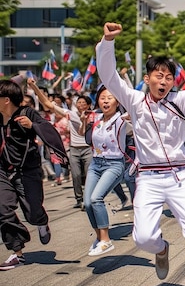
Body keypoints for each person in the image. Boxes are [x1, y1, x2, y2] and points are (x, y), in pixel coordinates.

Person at [96, 22, 185, 286]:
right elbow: (108, 76)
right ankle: (161, 249)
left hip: (180, 177)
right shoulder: (134, 101)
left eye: (169, 77)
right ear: (147, 78)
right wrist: (107, 41)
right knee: (143, 238)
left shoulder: (180, 101)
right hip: (148, 177)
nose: (164, 81)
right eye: (158, 76)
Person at [0, 78, 68, 270]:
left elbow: (48, 129)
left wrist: (33, 126)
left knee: (33, 213)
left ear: (6, 99)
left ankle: (41, 221)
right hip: (3, 171)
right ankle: (17, 252)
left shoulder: (27, 113)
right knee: (3, 209)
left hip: (28, 170)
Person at [78, 85, 127, 256]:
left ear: (118, 101)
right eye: (102, 97)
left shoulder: (122, 118)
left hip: (114, 164)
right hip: (95, 164)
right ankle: (100, 238)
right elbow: (60, 111)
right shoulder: (95, 118)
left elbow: (136, 109)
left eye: (110, 97)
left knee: (96, 198)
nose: (105, 100)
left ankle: (106, 240)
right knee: (88, 202)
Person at [28, 80, 93, 209]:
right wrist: (34, 87)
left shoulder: (94, 116)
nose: (80, 105)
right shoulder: (71, 114)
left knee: (89, 175)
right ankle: (79, 199)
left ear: (88, 105)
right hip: (74, 149)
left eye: (83, 103)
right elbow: (48, 104)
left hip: (88, 149)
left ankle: (88, 200)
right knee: (75, 175)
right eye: (78, 102)